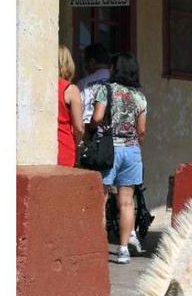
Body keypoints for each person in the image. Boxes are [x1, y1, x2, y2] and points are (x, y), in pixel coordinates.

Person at [91, 52, 147, 264]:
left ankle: (97, 248)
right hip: (132, 151)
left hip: (109, 150)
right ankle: (123, 249)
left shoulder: (105, 90)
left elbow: (97, 117)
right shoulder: (140, 97)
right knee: (126, 203)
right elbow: (141, 130)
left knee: (101, 199)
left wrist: (93, 127)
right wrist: (135, 147)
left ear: (116, 68)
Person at [57, 45, 84, 167]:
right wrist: (76, 143)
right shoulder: (71, 89)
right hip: (64, 144)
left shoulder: (44, 87)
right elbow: (78, 127)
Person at [78, 42, 111, 125]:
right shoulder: (117, 80)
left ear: (91, 62)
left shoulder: (83, 83)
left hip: (90, 132)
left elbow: (78, 111)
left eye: (85, 62)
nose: (84, 67)